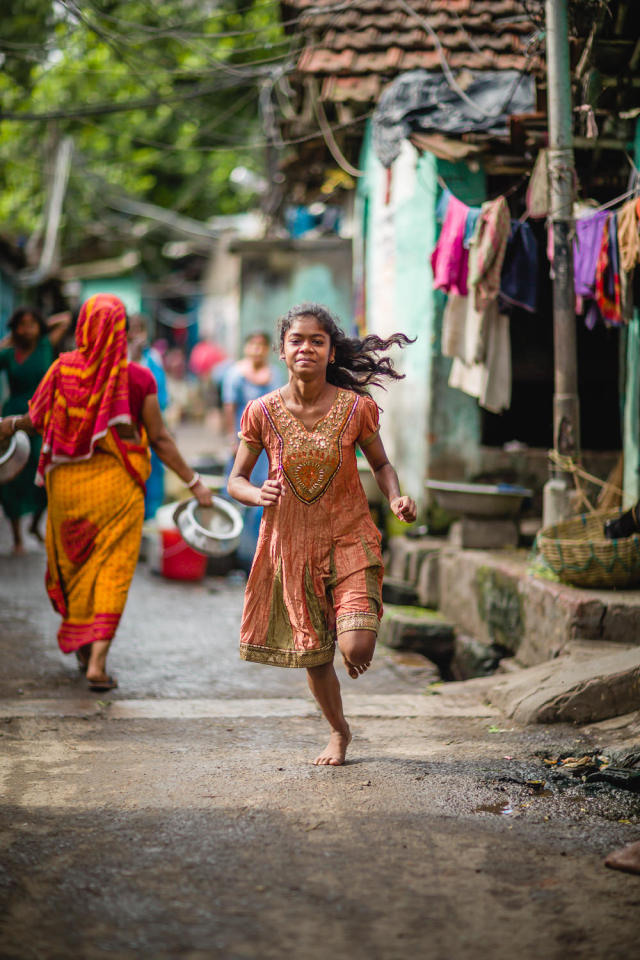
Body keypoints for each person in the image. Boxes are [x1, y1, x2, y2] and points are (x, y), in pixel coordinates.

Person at [227, 303, 417, 766]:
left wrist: (396, 497)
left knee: (356, 646)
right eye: (297, 340)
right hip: (290, 548)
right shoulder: (261, 412)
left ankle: (353, 630)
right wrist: (257, 494)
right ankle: (338, 731)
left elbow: (382, 465)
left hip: (350, 537)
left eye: (317, 340)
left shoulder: (356, 409)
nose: (306, 348)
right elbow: (235, 480)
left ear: (331, 352)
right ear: (282, 351)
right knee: (315, 656)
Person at [0, 294, 213, 691]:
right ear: (121, 330)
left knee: (76, 569)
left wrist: (8, 424)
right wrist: (195, 482)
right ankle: (97, 660)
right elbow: (161, 439)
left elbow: (37, 419)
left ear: (82, 328)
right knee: (112, 571)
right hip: (119, 488)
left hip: (69, 493)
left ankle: (85, 646)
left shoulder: (62, 371)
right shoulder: (138, 378)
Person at [0, 306, 71, 553]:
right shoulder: (9, 353)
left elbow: (64, 318)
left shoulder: (45, 345)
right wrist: (7, 340)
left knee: (46, 470)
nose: (26, 329)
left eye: (32, 324)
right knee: (9, 476)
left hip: (44, 416)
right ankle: (18, 536)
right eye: (22, 324)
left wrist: (41, 324)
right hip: (13, 417)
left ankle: (36, 524)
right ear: (14, 327)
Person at [222, 330, 283, 571]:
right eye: (253, 345)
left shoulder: (275, 375)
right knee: (237, 491)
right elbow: (230, 408)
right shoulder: (236, 374)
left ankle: (255, 557)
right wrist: (231, 439)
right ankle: (231, 552)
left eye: (261, 345)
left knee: (261, 496)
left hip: (267, 448)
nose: (257, 350)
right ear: (246, 347)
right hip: (243, 444)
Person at [127, 313, 170, 518]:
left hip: (151, 426)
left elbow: (161, 395)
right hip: (128, 431)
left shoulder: (153, 357)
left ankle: (150, 518)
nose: (137, 334)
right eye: (132, 329)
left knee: (153, 474)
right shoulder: (120, 358)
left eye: (140, 329)